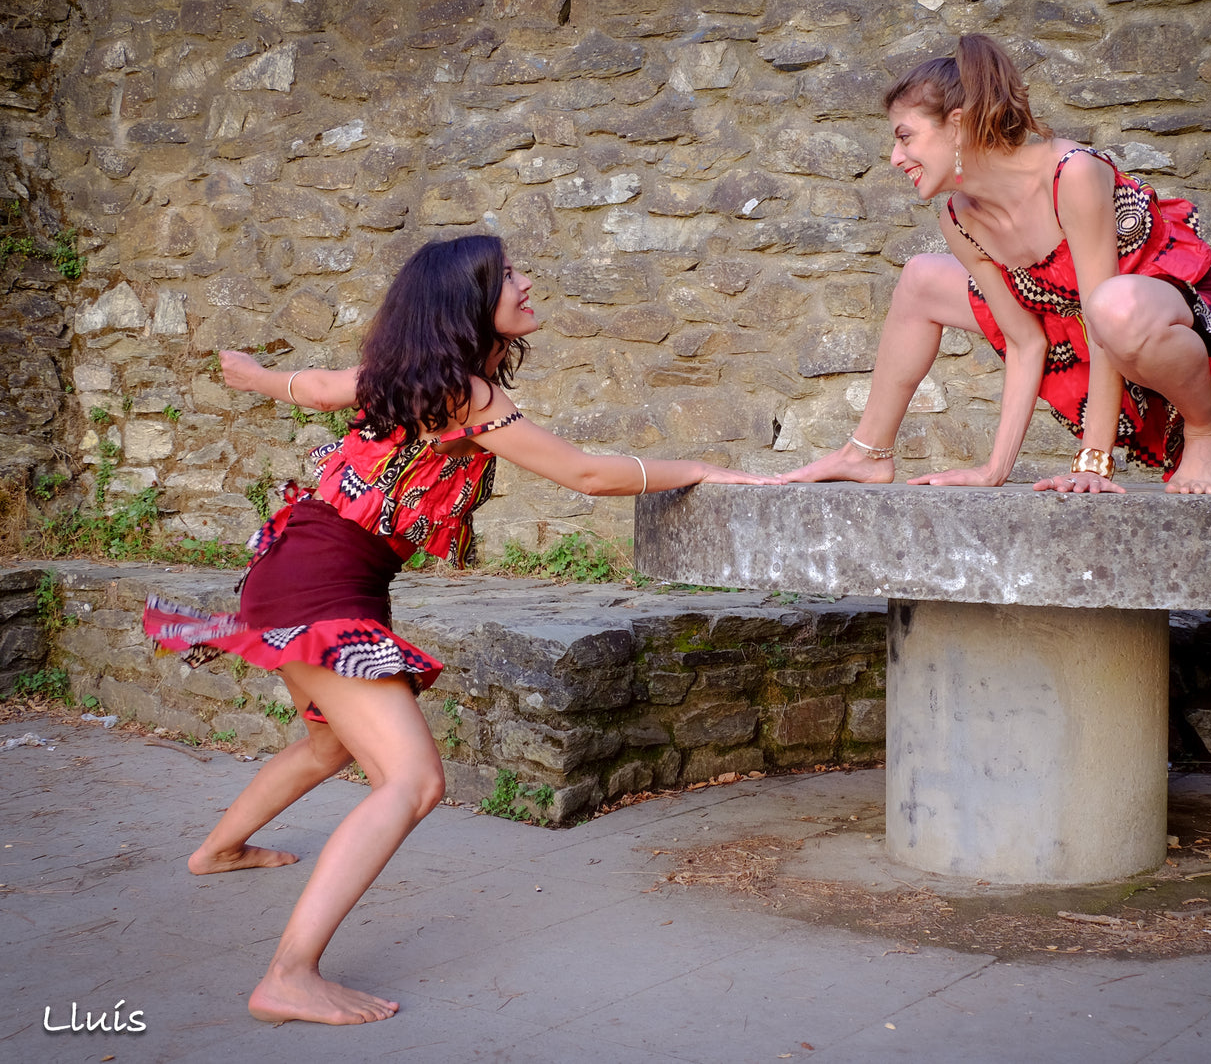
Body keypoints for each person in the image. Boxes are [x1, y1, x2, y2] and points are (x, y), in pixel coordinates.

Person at [144, 234, 778, 1026]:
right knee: (413, 784)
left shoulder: (404, 378)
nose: (526, 281)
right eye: (509, 274)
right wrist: (701, 469)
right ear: (467, 302)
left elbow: (311, 389)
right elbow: (582, 473)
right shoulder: (466, 395)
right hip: (322, 586)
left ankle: (218, 850)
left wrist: (256, 376)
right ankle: (290, 975)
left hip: (295, 568)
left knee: (330, 745)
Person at [782, 34, 1211, 494]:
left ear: (959, 123)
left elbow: (1101, 309)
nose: (894, 157)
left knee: (1112, 307)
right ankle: (868, 451)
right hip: (1078, 328)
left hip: (1169, 314)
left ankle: (1209, 428)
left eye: (905, 137)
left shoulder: (1071, 172)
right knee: (921, 276)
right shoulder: (960, 217)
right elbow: (1024, 341)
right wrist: (994, 469)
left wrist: (1093, 463)